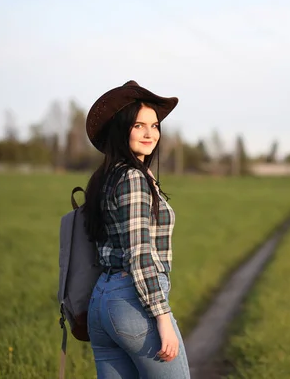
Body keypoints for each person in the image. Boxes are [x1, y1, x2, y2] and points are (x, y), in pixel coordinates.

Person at [82, 80, 191, 378]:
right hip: (132, 303)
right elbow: (140, 253)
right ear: (121, 129)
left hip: (102, 302)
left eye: (154, 126)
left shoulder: (106, 176)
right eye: (139, 125)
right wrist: (162, 316)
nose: (149, 133)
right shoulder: (132, 178)